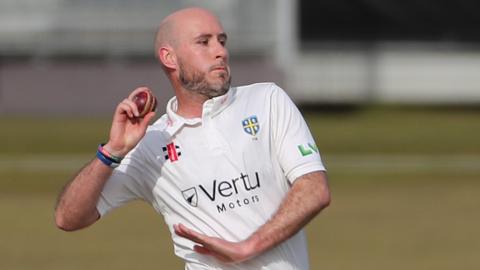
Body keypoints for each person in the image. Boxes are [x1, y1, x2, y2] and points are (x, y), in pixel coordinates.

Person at [55, 7, 331, 270]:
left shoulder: (267, 100)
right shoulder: (150, 143)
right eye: (204, 42)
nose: (220, 51)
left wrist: (248, 248)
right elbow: (68, 218)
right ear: (170, 58)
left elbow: (314, 189)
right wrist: (112, 151)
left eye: (222, 41)